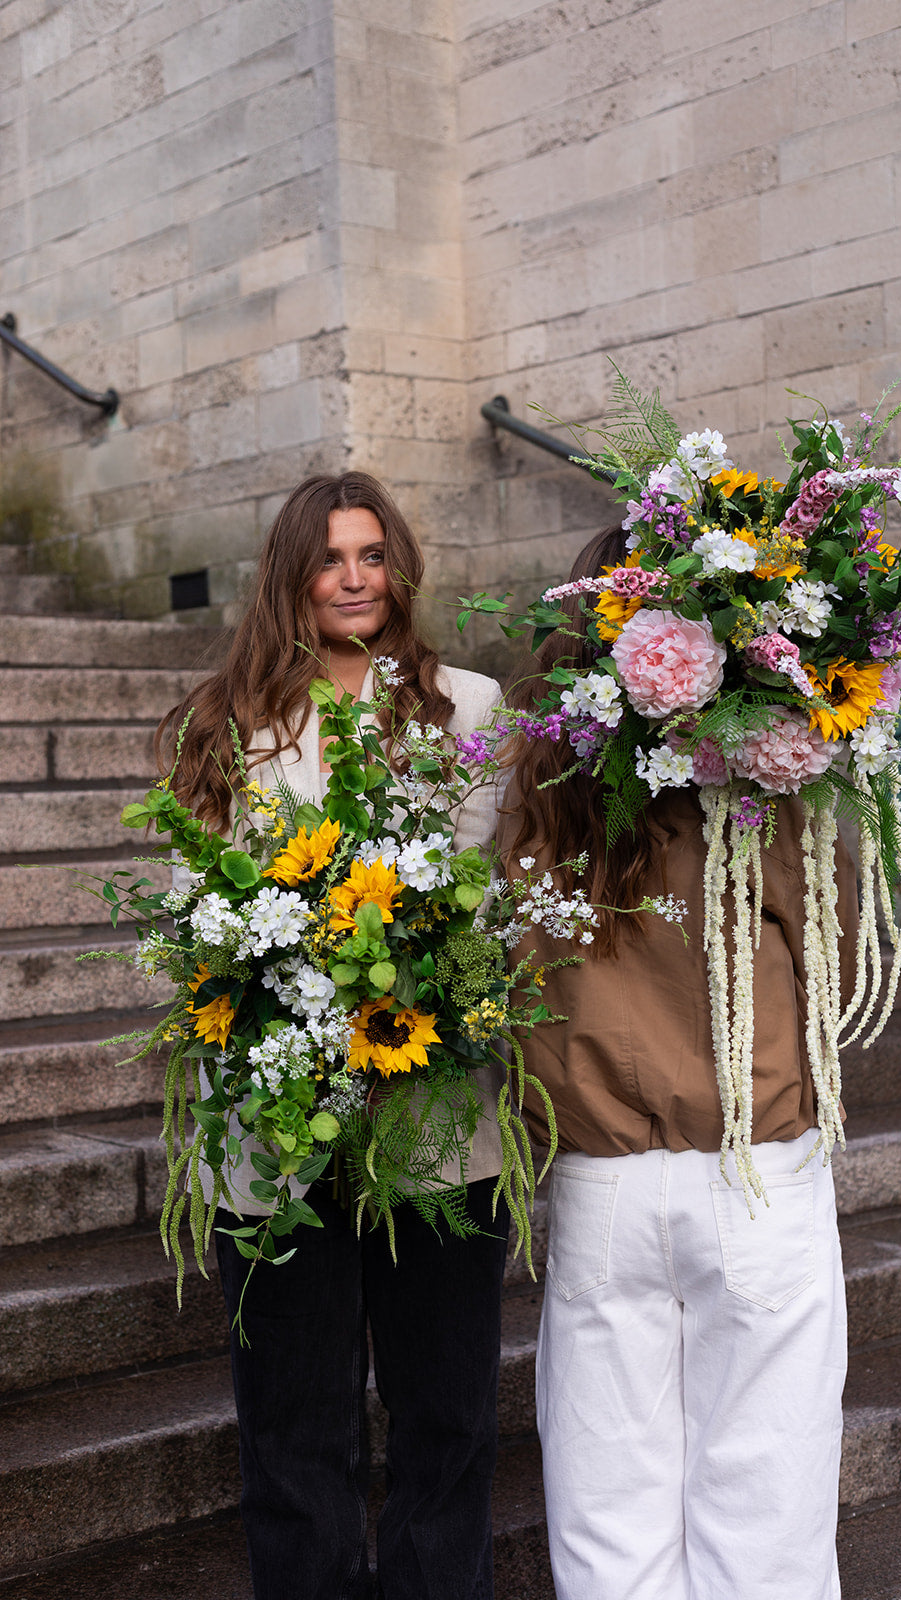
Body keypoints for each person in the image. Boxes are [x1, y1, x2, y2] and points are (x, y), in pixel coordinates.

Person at [157, 471, 509, 1600]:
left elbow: (484, 892)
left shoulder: (470, 703)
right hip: (277, 1129)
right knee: (295, 1425)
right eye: (328, 559)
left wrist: (415, 946)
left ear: (398, 566)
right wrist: (276, 956)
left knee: (445, 1412)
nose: (353, 579)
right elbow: (190, 898)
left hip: (432, 1116)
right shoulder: (230, 716)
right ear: (291, 578)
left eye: (371, 555)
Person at [499, 525, 858, 1600]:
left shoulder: (543, 787)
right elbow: (821, 953)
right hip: (753, 1158)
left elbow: (515, 974)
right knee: (769, 1496)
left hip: (604, 1171)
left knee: (609, 1504)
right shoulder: (763, 783)